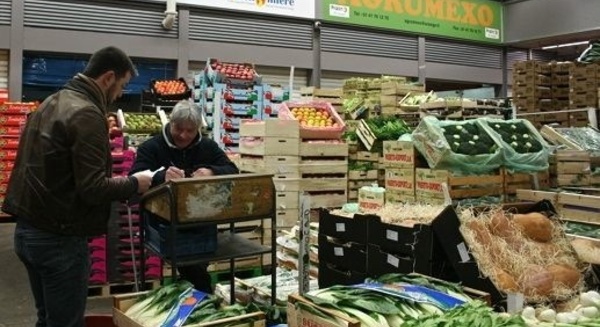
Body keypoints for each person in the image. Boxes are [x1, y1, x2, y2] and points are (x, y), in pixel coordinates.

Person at [1, 46, 153, 327]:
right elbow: (93, 188)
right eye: (122, 85)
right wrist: (135, 183)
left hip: (29, 230)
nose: (121, 94)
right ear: (108, 78)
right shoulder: (86, 114)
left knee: (47, 319)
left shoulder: (51, 102)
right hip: (60, 238)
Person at [129, 99, 239, 293]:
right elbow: (134, 177)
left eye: (190, 131)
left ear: (198, 128)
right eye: (179, 129)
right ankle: (201, 293)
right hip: (162, 221)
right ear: (171, 123)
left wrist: (212, 172)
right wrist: (161, 176)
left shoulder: (207, 146)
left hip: (201, 220)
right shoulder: (151, 147)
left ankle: (193, 294)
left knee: (196, 262)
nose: (183, 135)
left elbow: (232, 169)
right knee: (193, 267)